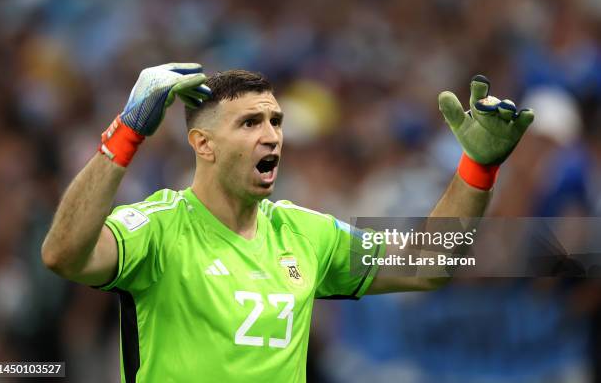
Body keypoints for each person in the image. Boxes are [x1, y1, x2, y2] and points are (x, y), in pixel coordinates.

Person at [41, 63, 534, 382]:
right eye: (250, 123)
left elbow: (428, 266)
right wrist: (127, 132)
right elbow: (62, 255)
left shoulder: (307, 233)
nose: (272, 135)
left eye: (276, 121)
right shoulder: (157, 227)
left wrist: (478, 168)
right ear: (203, 145)